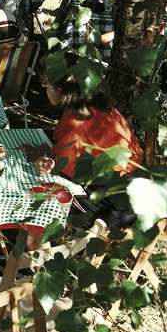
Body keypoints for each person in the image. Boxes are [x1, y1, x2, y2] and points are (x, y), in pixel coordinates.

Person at [30, 58, 140, 227]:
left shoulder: (75, 121)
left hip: (115, 207)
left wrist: (42, 160)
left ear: (58, 90)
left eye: (45, 84)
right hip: (137, 194)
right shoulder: (104, 108)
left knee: (43, 193)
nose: (44, 89)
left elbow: (62, 172)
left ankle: (38, 237)